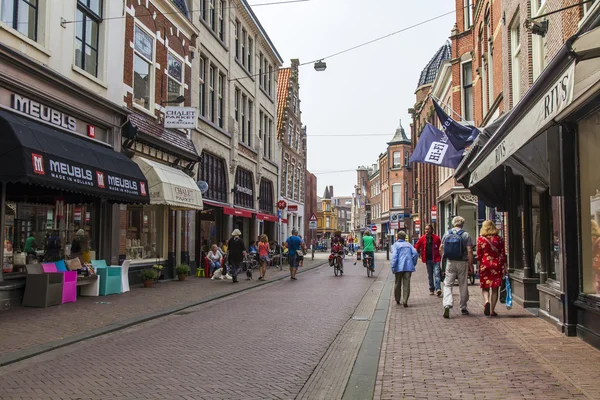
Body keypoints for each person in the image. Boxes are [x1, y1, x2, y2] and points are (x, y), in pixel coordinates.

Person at [441, 216, 474, 318]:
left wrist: (444, 260)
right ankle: (463, 307)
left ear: (453, 223)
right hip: (462, 262)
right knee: (463, 284)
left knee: (448, 284)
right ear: (462, 224)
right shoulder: (466, 235)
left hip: (450, 262)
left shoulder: (447, 234)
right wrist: (470, 265)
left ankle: (447, 304)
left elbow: (441, 248)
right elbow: (469, 251)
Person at [477, 220, 507, 317]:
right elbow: (503, 254)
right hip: (496, 265)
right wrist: (504, 266)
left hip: (484, 265)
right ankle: (492, 311)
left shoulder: (480, 240)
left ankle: (486, 301)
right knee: (495, 289)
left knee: (485, 287)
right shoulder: (499, 239)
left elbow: (479, 255)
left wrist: (478, 267)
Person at [391, 231, 418, 307]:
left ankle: (397, 299)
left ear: (397, 237)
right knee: (407, 284)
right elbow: (415, 254)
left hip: (398, 267)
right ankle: (405, 300)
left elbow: (394, 257)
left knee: (397, 283)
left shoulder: (395, 245)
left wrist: (393, 266)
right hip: (408, 266)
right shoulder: (409, 245)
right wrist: (413, 263)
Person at [414, 224, 442, 297]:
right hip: (428, 259)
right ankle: (431, 289)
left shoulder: (436, 238)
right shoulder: (422, 238)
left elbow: (440, 247)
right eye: (426, 229)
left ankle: (438, 289)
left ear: (431, 230)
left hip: (436, 259)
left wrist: (441, 255)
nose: (426, 231)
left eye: (428, 229)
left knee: (437, 274)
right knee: (430, 275)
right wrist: (415, 253)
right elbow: (417, 246)